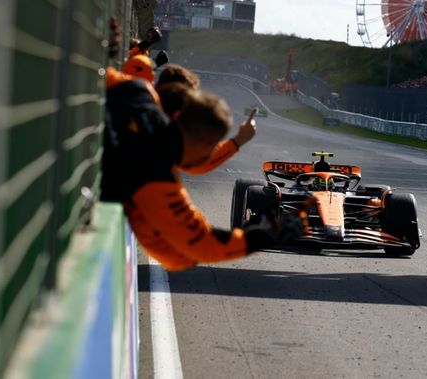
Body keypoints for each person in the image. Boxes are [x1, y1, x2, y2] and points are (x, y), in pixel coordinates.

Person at [101, 66, 304, 270]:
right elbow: (202, 247)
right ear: (205, 145)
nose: (209, 156)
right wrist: (267, 236)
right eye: (211, 148)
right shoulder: (158, 176)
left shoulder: (138, 90)